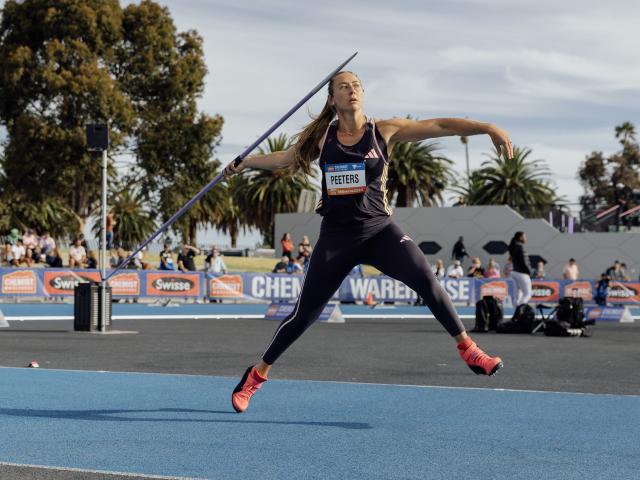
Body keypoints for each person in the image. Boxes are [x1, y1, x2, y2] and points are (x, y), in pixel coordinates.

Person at [224, 70, 511, 413]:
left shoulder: (384, 130)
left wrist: (488, 128)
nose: (352, 90)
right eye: (343, 86)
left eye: (356, 85)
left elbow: (440, 126)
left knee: (425, 278)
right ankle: (255, 376)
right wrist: (245, 163)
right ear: (332, 98)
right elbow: (286, 158)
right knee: (304, 315)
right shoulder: (323, 138)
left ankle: (468, 348)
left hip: (379, 231)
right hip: (337, 237)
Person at [508, 231, 531, 306]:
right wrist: (529, 272)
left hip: (515, 272)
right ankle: (520, 311)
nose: (526, 239)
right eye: (525, 237)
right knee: (527, 294)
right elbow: (524, 263)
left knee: (518, 294)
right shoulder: (519, 248)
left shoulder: (514, 247)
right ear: (520, 237)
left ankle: (516, 312)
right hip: (522, 273)